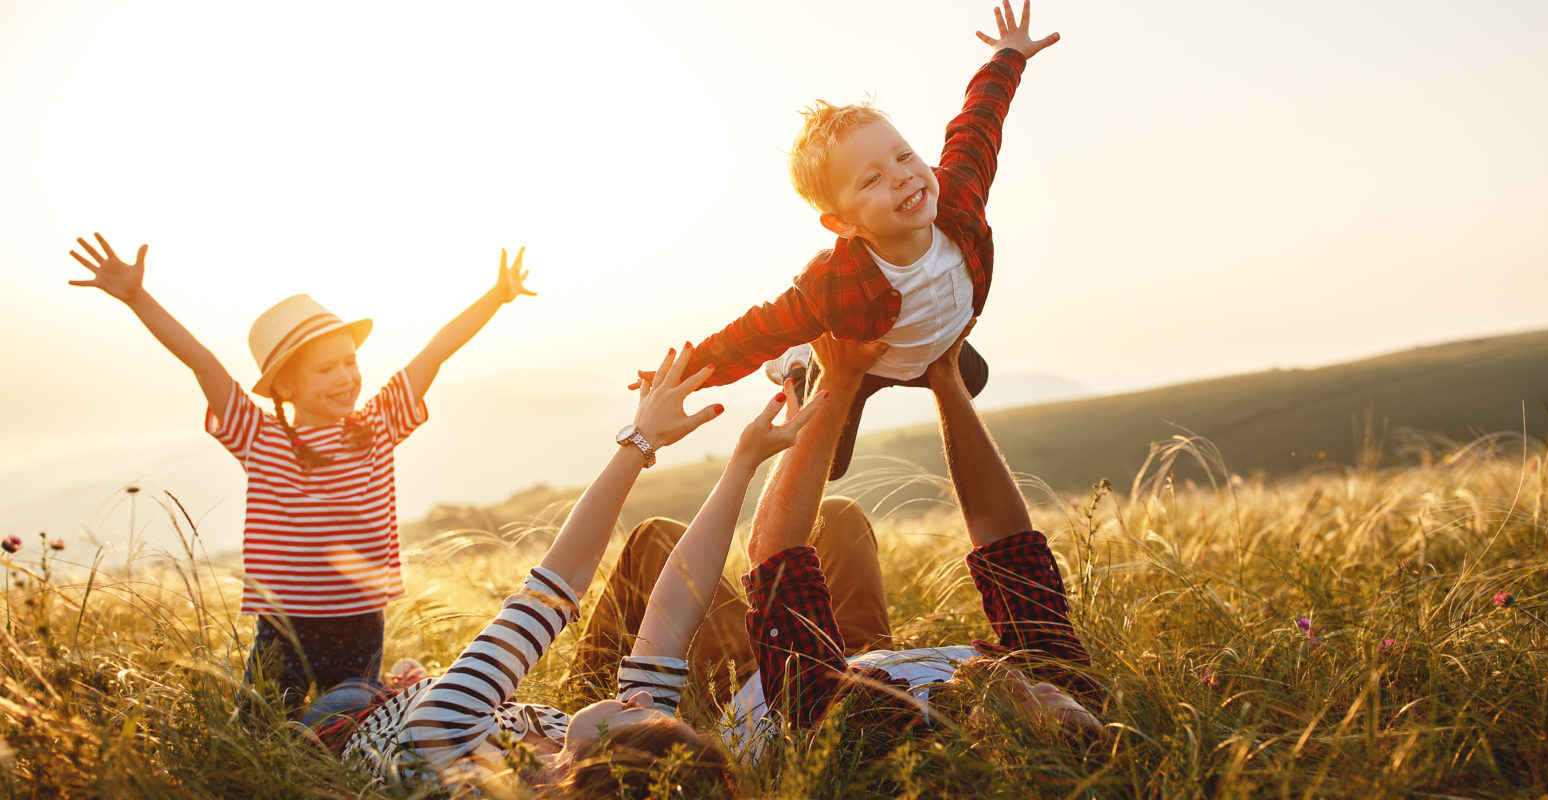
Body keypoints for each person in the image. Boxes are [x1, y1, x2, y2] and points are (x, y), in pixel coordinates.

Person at [317, 346, 823, 796]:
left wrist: (641, 440)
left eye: (635, 712)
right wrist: (744, 462)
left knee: (336, 687)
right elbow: (673, 611)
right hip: (428, 690)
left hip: (355, 710)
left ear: (594, 767)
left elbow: (556, 585)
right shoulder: (591, 756)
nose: (643, 698)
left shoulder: (442, 745)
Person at [67, 233, 534, 711]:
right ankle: (392, 688)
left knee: (347, 722)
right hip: (283, 623)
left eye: (350, 362)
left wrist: (496, 296)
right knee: (264, 723)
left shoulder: (377, 424)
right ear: (285, 385)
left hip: (360, 619)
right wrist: (138, 298)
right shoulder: (260, 437)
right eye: (325, 368)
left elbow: (434, 353)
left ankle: (390, 690)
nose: (346, 377)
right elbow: (202, 363)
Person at [634, 0, 1061, 480]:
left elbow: (978, 125)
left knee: (974, 381)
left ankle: (929, 353)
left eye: (903, 156)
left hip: (936, 340)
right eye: (871, 179)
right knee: (828, 464)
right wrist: (681, 379)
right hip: (868, 358)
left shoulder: (958, 196)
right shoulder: (833, 287)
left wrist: (1008, 55)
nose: (902, 177)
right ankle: (799, 362)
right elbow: (756, 332)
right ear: (842, 224)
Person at [735, 328, 1104, 747]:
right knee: (839, 516)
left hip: (752, 685)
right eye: (1085, 713)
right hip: (867, 660)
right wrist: (945, 376)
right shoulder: (1065, 688)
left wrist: (836, 381)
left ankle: (810, 378)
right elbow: (1008, 547)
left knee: (660, 542)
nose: (1049, 688)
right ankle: (825, 375)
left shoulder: (888, 743)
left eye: (1037, 702)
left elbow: (771, 554)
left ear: (1004, 746)